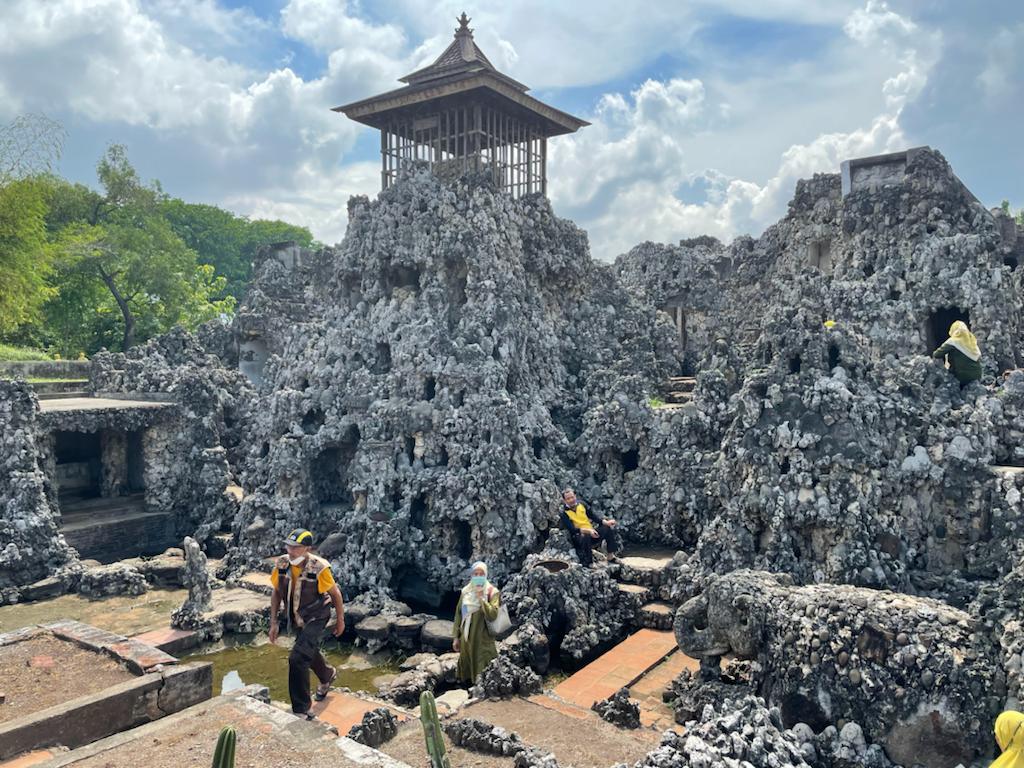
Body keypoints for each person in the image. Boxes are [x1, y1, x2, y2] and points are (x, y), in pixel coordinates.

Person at [268, 528, 345, 718]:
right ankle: (327, 675)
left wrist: (340, 621)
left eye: (296, 547)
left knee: (297, 658)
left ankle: (302, 708)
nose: (290, 550)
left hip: (317, 616)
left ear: (307, 548)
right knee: (306, 651)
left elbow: (335, 594)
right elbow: (276, 592)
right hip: (296, 616)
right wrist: (274, 622)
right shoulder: (282, 564)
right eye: (288, 546)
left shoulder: (319, 567)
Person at [452, 561, 500, 685]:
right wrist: (456, 638)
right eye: (475, 574)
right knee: (467, 670)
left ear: (486, 575)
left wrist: (481, 599)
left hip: (482, 641)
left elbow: (493, 615)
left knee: (482, 670)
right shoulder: (466, 592)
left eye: (481, 574)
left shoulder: (492, 592)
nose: (478, 577)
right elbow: (458, 614)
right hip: (466, 640)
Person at [560, 487, 620, 567]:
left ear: (575, 496)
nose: (571, 500)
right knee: (585, 535)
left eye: (572, 497)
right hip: (579, 537)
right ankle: (589, 562)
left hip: (592, 532)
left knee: (607, 528)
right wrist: (587, 531)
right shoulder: (564, 513)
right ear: (564, 500)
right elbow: (572, 529)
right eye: (568, 499)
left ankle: (610, 555)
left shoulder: (582, 504)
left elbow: (593, 516)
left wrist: (606, 522)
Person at [932, 320, 982, 386]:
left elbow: (936, 354)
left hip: (961, 376)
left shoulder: (953, 341)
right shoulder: (972, 341)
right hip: (977, 376)